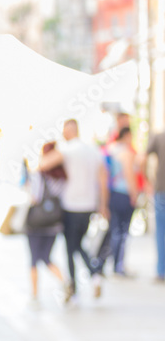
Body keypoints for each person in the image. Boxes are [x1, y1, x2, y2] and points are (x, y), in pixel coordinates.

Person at [51, 119, 105, 302]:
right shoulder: (93, 151)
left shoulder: (67, 150)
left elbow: (43, 164)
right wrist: (103, 205)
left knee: (70, 247)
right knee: (79, 244)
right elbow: (103, 179)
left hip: (71, 206)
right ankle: (95, 275)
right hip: (89, 206)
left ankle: (74, 286)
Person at [92, 127, 139, 279]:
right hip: (124, 194)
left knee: (113, 231)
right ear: (127, 136)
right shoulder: (126, 152)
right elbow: (129, 174)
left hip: (112, 194)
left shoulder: (109, 150)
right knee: (123, 232)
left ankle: (100, 263)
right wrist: (134, 194)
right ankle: (118, 266)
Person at [27, 142, 68, 307]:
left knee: (33, 260)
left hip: (36, 224)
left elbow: (34, 197)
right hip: (54, 224)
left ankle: (35, 296)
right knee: (47, 258)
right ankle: (64, 282)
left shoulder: (39, 175)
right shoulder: (62, 177)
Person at [144, 125, 165, 282]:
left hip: (161, 190)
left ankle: (161, 271)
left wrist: (148, 182)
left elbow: (141, 159)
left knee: (161, 232)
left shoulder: (159, 137)